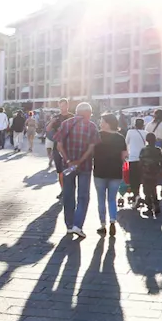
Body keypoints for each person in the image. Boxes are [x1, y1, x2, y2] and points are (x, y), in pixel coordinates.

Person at [54, 102, 100, 238]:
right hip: (84, 166)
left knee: (68, 195)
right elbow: (92, 148)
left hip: (68, 166)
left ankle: (69, 225)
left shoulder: (66, 124)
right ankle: (77, 225)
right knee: (83, 196)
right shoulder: (91, 126)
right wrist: (80, 161)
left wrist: (69, 161)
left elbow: (59, 146)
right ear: (87, 113)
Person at [92, 113, 126, 236]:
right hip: (115, 172)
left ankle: (102, 224)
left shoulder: (97, 136)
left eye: (102, 121)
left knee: (101, 199)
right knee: (112, 198)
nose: (100, 123)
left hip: (99, 171)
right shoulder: (120, 138)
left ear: (107, 123)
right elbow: (124, 155)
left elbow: (91, 152)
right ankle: (112, 220)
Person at [139, 133, 162, 216]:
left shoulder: (143, 150)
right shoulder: (158, 150)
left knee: (146, 191)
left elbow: (140, 162)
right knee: (153, 189)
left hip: (146, 173)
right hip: (155, 173)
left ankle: (149, 207)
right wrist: (161, 171)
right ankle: (156, 206)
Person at [125, 118, 146, 206]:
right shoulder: (146, 133)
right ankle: (138, 194)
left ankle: (136, 195)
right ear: (143, 125)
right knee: (140, 177)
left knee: (133, 178)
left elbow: (126, 143)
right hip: (143, 159)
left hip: (132, 158)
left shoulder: (130, 132)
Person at [47, 99, 71, 176]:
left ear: (67, 106)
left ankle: (69, 187)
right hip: (57, 147)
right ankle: (63, 187)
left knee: (69, 170)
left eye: (63, 106)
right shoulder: (56, 117)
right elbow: (47, 129)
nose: (62, 108)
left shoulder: (72, 117)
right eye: (60, 106)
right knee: (60, 171)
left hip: (69, 147)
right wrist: (51, 122)